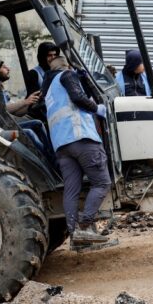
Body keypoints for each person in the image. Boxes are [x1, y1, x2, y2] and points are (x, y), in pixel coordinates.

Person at [43, 54, 112, 245]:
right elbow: (78, 97)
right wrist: (98, 108)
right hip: (80, 137)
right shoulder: (67, 75)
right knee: (102, 183)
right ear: (67, 65)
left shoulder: (49, 91)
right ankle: (85, 224)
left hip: (62, 146)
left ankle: (74, 233)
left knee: (71, 190)